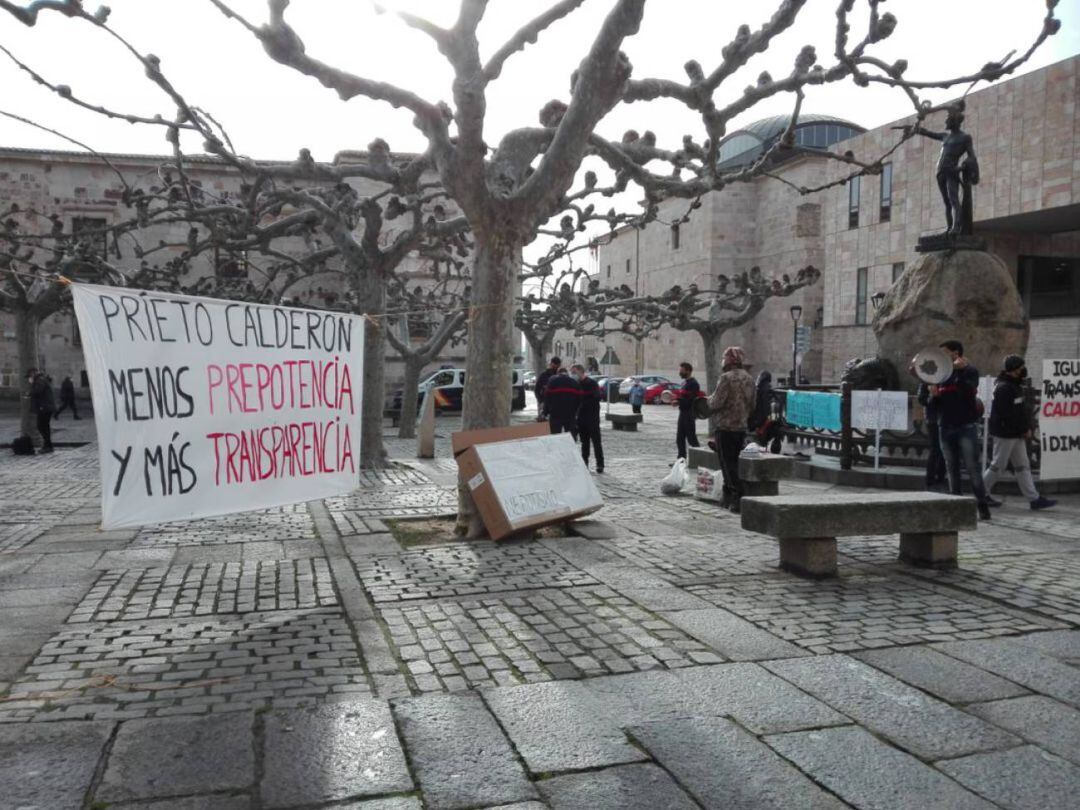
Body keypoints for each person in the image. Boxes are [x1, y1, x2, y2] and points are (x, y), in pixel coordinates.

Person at [983, 355, 1056, 511]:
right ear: (1014, 370)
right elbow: (1007, 415)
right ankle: (980, 494)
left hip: (1015, 434)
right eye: (1021, 367)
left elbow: (1020, 412)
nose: (1024, 370)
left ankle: (1034, 499)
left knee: (1023, 466)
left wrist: (1025, 428)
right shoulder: (1004, 388)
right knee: (998, 465)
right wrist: (1023, 429)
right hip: (1005, 434)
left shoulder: (1014, 385)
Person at [931, 340, 991, 520]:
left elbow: (968, 390)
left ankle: (982, 505)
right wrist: (933, 396)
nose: (941, 357)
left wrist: (958, 371)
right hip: (945, 426)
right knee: (952, 468)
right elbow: (933, 404)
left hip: (966, 426)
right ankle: (956, 507)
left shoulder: (969, 371)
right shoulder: (940, 374)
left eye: (945, 353)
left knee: (972, 468)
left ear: (955, 354)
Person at [708, 347, 755, 512]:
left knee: (727, 463)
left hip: (725, 426)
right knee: (734, 461)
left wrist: (703, 403)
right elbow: (752, 404)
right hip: (741, 426)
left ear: (730, 360)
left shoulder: (726, 378)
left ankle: (736, 497)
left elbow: (716, 403)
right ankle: (728, 496)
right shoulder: (749, 378)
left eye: (724, 357)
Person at [572, 365, 604, 473]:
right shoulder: (576, 385)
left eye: (574, 372)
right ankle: (584, 463)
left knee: (596, 442)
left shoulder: (591, 383)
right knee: (584, 443)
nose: (573, 374)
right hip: (581, 419)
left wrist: (583, 403)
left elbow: (597, 398)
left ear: (581, 371)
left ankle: (600, 464)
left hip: (592, 417)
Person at [916, 380, 947, 490]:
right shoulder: (928, 379)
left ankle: (941, 477)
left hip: (946, 418)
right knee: (936, 448)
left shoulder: (947, 377)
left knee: (945, 448)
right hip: (933, 418)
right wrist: (932, 396)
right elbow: (922, 399)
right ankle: (930, 479)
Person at [748, 370, 782, 454]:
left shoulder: (758, 387)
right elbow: (766, 404)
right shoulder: (767, 387)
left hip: (756, 416)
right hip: (762, 416)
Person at [673, 361, 700, 459]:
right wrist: (677, 400)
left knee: (691, 438)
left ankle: (698, 458)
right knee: (679, 438)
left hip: (689, 414)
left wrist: (678, 401)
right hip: (682, 413)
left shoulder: (693, 384)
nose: (679, 372)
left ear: (688, 371)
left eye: (681, 370)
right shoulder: (684, 383)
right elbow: (683, 397)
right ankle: (681, 460)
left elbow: (690, 400)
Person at [544, 366, 580, 439]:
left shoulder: (552, 383)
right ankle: (570, 450)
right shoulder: (574, 383)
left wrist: (546, 412)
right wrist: (576, 411)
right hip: (570, 414)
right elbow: (579, 399)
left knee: (555, 437)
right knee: (571, 438)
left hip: (555, 414)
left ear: (558, 373)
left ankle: (557, 449)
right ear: (567, 373)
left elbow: (547, 399)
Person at [27, 368, 56, 454]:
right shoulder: (41, 379)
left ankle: (48, 446)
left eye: (30, 376)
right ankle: (48, 446)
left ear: (33, 373)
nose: (29, 378)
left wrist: (30, 390)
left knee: (41, 426)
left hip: (44, 407)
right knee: (44, 427)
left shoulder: (39, 380)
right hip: (45, 407)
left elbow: (38, 391)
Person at [534, 356, 559, 421]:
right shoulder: (544, 375)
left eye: (557, 365)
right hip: (544, 402)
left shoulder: (559, 375)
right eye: (554, 365)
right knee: (543, 423)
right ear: (551, 364)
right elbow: (537, 389)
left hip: (556, 404)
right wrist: (540, 401)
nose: (555, 367)